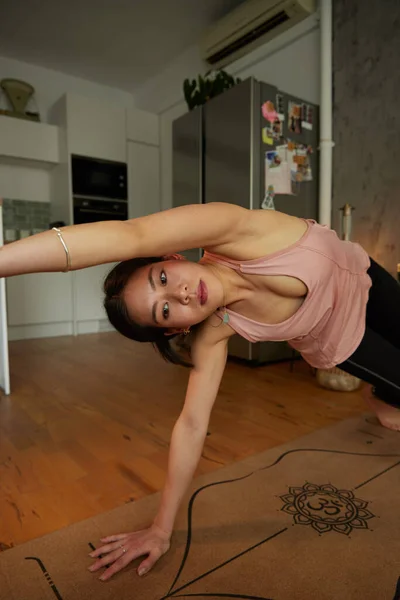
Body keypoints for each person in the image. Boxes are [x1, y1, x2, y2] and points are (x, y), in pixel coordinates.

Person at [2, 202, 399, 581]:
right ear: (175, 329)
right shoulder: (215, 332)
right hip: (345, 338)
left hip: (361, 272)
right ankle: (386, 394)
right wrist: (161, 528)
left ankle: (385, 397)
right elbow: (191, 424)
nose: (181, 295)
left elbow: (130, 234)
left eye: (162, 279)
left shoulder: (232, 230)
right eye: (165, 311)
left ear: (172, 257)